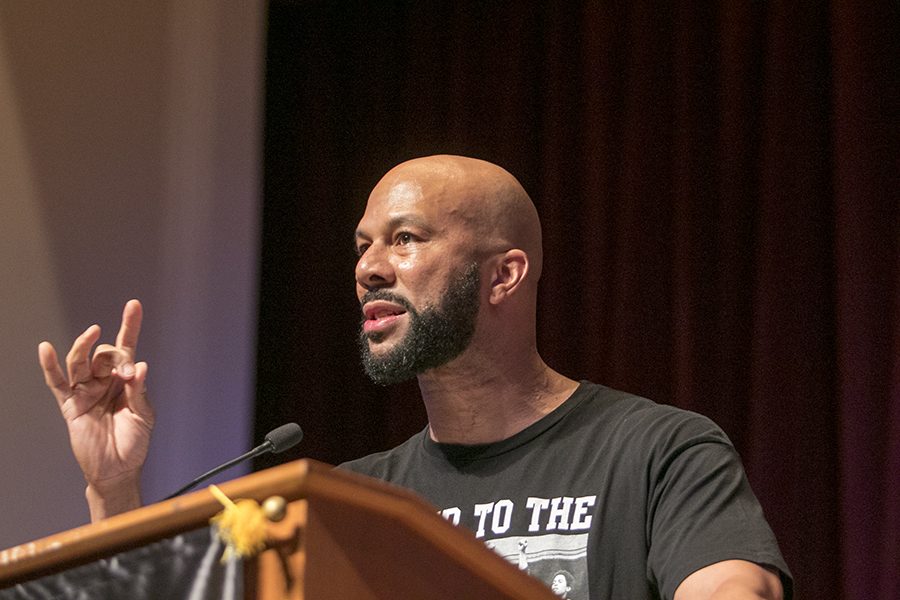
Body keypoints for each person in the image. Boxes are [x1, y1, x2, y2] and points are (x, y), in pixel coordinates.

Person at [39, 155, 791, 599]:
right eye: (364, 245)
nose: (368, 268)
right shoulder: (352, 503)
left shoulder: (657, 451)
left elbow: (731, 587)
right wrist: (114, 490)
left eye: (405, 240)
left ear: (504, 276)